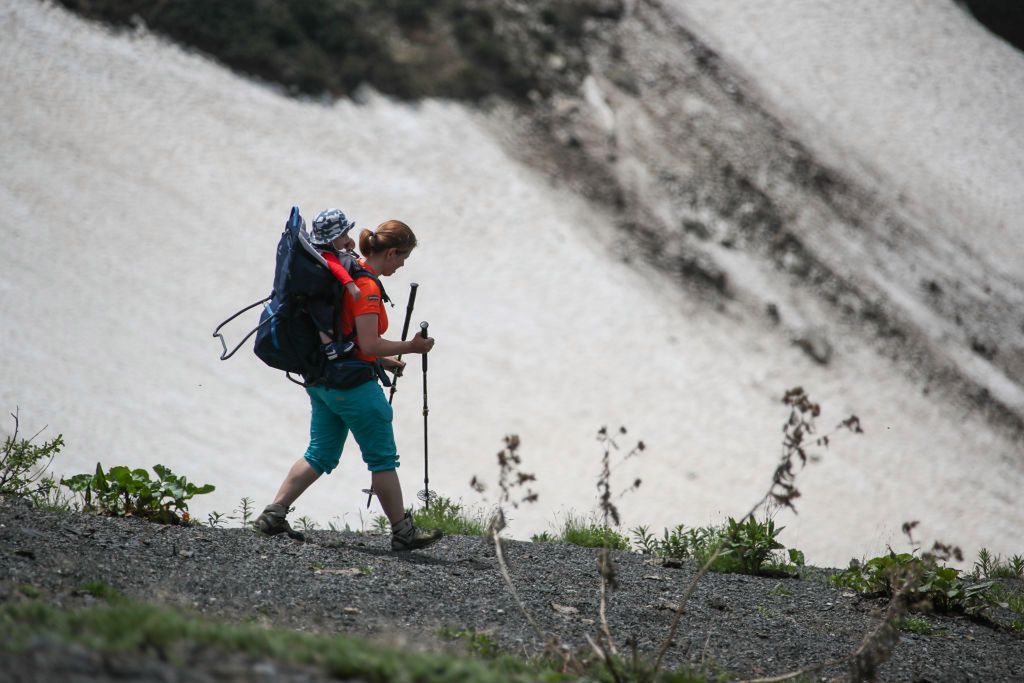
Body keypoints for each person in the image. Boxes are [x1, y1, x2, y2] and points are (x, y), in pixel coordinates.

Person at [254, 218, 443, 551]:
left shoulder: (344, 270)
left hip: (321, 380)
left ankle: (274, 514)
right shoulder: (367, 288)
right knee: (383, 459)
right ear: (392, 252)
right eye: (402, 258)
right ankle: (402, 532)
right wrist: (410, 347)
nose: (401, 265)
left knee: (320, 453)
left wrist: (385, 360)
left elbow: (348, 337)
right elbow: (369, 344)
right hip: (353, 386)